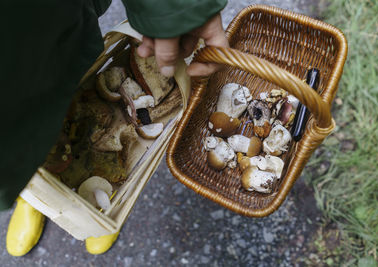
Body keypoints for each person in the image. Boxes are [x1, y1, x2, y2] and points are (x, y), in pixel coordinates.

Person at [1, 0, 229, 256]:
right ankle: (31, 194)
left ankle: (111, 204)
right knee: (29, 156)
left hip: (39, 33)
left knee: (73, 106)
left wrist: (173, 9)